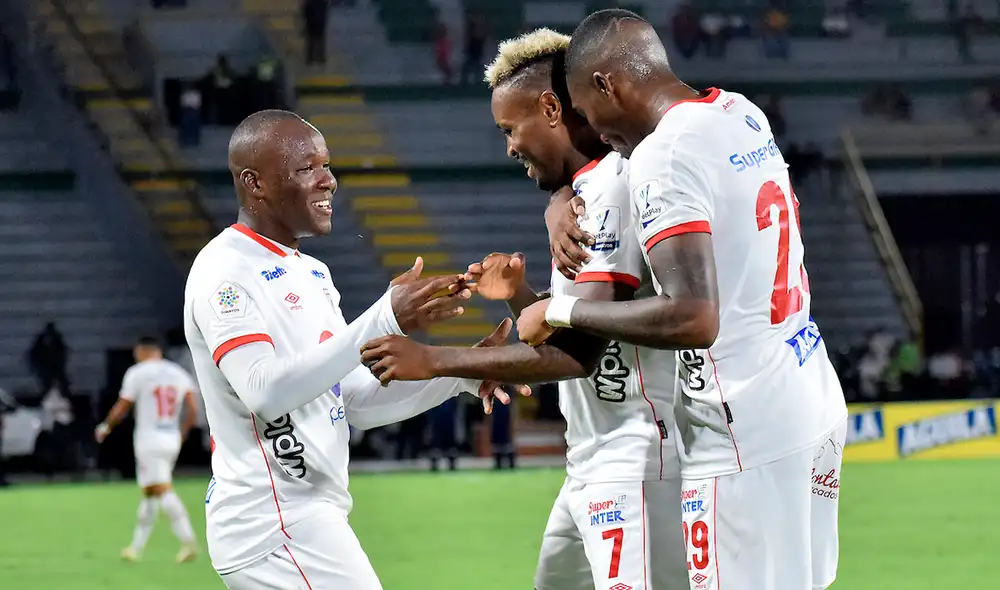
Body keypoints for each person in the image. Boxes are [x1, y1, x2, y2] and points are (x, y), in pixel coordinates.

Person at [522, 10, 848, 590]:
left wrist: (558, 310)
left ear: (606, 86)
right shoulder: (739, 113)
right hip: (808, 393)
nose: (595, 133)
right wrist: (566, 194)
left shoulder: (661, 155)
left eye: (587, 112)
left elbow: (694, 318)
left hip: (742, 430)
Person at [358, 29, 686, 590]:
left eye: (510, 129)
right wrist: (518, 294)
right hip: (591, 457)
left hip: (636, 455)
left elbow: (578, 355)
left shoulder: (610, 186)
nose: (509, 146)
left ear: (553, 107)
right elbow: (574, 321)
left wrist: (436, 361)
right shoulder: (581, 192)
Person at [184, 109, 515, 589]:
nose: (328, 181)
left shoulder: (313, 274)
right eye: (307, 168)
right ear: (255, 183)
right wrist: (383, 318)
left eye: (326, 164)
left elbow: (355, 400)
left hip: (305, 515)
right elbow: (263, 392)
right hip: (274, 520)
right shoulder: (224, 270)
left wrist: (461, 373)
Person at [95, 336, 200, 563]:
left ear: (142, 351)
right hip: (171, 436)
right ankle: (136, 547)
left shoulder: (138, 373)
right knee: (150, 493)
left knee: (161, 489)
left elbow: (123, 405)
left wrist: (105, 427)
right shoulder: (178, 373)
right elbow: (193, 407)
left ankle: (188, 540)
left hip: (149, 439)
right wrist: (184, 432)